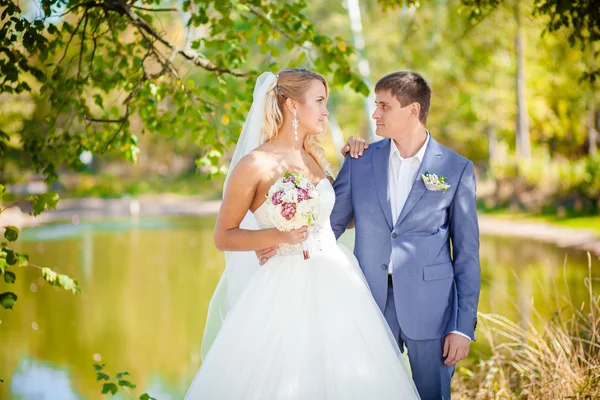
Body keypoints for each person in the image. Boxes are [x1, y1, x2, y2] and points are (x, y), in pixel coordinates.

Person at [184, 69, 420, 399]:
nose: (326, 111)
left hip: (337, 279)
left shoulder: (313, 158)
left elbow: (338, 218)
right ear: (293, 106)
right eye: (320, 101)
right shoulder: (255, 164)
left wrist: (361, 161)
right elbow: (224, 236)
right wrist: (278, 238)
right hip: (284, 285)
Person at [329, 71, 481, 399]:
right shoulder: (359, 160)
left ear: (413, 110)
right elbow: (329, 226)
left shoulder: (456, 169)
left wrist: (462, 326)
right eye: (375, 105)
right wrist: (286, 243)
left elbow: (467, 254)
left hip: (434, 311)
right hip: (368, 303)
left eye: (384, 106)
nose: (375, 114)